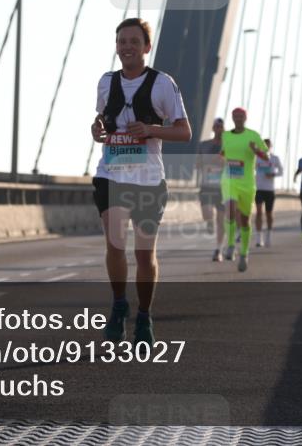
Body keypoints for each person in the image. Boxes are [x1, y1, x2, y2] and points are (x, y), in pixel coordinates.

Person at [91, 18, 191, 345]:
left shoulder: (163, 84)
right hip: (111, 175)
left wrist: (151, 130)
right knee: (115, 244)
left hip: (148, 180)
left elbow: (184, 131)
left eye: (134, 41)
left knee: (144, 253)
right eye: (122, 41)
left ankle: (144, 316)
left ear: (147, 47)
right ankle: (119, 306)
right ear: (116, 46)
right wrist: (97, 131)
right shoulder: (106, 82)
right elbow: (104, 123)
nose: (127, 47)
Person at [220, 107, 268, 272]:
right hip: (229, 180)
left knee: (246, 221)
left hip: (247, 183)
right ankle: (231, 244)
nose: (238, 118)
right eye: (235, 116)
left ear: (245, 117)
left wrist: (256, 151)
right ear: (232, 118)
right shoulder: (225, 136)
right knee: (230, 210)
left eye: (241, 116)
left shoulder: (253, 135)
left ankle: (244, 253)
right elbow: (222, 154)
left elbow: (266, 157)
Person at [197, 117, 226, 261]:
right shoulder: (204, 145)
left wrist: (224, 163)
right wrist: (205, 164)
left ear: (224, 129)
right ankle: (209, 222)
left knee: (221, 220)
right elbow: (197, 163)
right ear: (213, 128)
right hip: (207, 185)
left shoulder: (229, 146)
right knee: (207, 214)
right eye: (216, 126)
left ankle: (218, 250)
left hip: (223, 187)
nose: (219, 129)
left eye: (221, 126)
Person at [253, 138, 283, 248]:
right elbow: (251, 168)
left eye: (267, 145)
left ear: (270, 146)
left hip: (270, 190)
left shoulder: (274, 159)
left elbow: (281, 171)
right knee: (259, 212)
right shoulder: (257, 158)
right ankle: (258, 238)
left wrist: (273, 175)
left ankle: (268, 236)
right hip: (259, 189)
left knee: (269, 214)